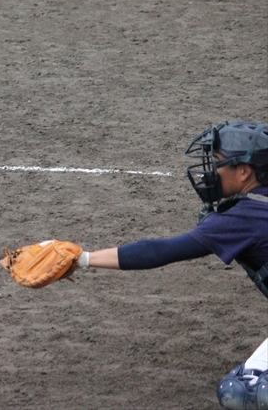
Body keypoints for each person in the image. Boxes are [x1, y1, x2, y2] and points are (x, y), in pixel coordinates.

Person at [72, 120, 268, 410]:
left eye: (217, 161)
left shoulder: (242, 218)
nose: (209, 171)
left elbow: (160, 251)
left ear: (244, 172)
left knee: (242, 392)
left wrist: (82, 259)